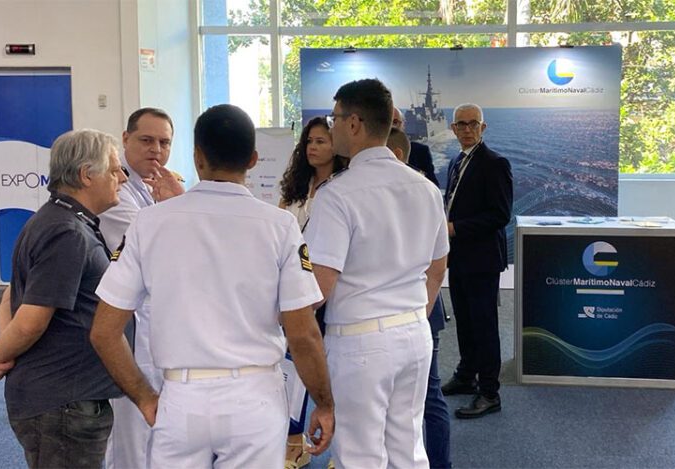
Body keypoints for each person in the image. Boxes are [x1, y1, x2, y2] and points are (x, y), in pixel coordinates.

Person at [89, 104, 335, 469]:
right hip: (255, 398)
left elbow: (104, 332)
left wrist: (143, 397)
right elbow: (303, 334)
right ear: (253, 159)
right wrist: (325, 403)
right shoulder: (280, 226)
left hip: (181, 397)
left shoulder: (149, 224)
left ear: (196, 157)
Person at [0, 129, 128, 468]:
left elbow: (12, 296)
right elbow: (31, 320)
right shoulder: (66, 232)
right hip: (63, 404)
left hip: (61, 399)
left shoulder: (53, 220)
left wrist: (0, 351)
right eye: (113, 169)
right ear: (85, 176)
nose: (121, 177)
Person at [304, 79, 448, 469]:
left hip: (360, 342)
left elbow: (319, 285)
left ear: (353, 123)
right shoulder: (425, 188)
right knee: (409, 448)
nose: (330, 128)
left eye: (334, 119)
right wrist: (414, 313)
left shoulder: (337, 195)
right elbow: (438, 266)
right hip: (415, 333)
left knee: (361, 455)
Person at [98, 107, 184, 469]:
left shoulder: (156, 188)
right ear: (125, 139)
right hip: (126, 329)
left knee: (158, 434)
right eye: (147, 140)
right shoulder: (115, 193)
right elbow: (156, 245)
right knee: (130, 441)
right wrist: (179, 206)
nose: (156, 150)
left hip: (158, 327)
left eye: (164, 143)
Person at [279, 116, 347, 469]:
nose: (313, 147)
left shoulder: (345, 187)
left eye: (321, 141)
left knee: (332, 365)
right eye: (309, 141)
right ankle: (294, 442)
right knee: (294, 364)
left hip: (329, 288)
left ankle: (342, 448)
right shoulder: (294, 186)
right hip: (293, 286)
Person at [440, 103, 513, 419]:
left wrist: (455, 228)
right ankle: (466, 375)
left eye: (473, 124)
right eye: (461, 124)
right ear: (453, 128)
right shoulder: (458, 161)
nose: (467, 129)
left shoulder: (494, 163)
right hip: (458, 258)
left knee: (484, 326)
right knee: (465, 321)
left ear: (483, 128)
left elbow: (500, 215)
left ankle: (489, 393)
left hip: (481, 260)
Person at [387, 126, 452, 468]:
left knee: (429, 397)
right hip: (411, 314)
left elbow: (436, 268)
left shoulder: (423, 195)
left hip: (421, 312)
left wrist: (421, 311)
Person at [393, 107, 439, 187]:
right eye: (386, 122)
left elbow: (433, 187)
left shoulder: (420, 152)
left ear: (403, 124)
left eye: (395, 122)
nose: (392, 126)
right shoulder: (369, 152)